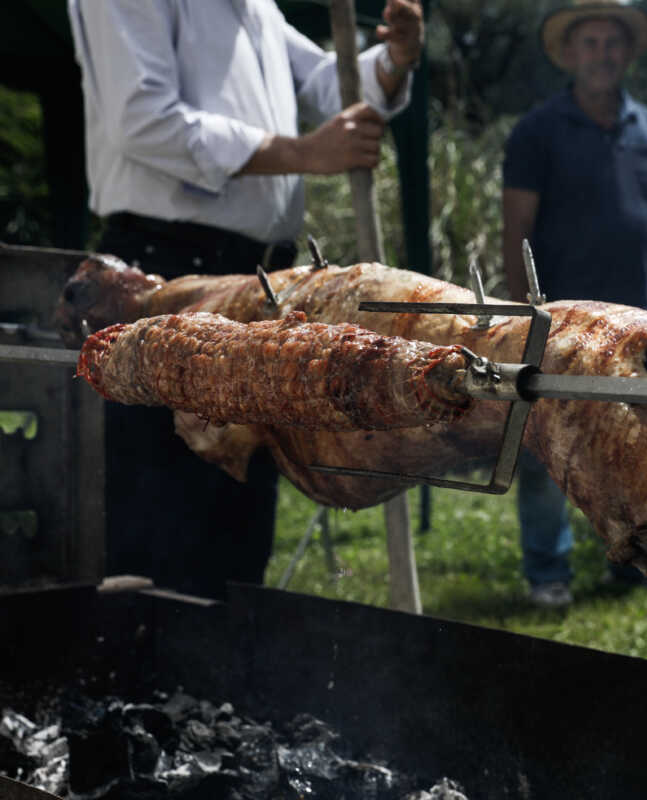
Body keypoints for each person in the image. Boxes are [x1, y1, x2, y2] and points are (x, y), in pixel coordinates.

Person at [67, 0, 424, 599]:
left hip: (257, 276)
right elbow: (143, 119)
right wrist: (305, 154)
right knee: (163, 524)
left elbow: (326, 83)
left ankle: (226, 678)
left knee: (237, 508)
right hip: (167, 268)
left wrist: (392, 61)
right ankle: (143, 677)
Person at [502, 0, 647, 608]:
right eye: (588, 43)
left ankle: (638, 560)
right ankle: (549, 572)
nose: (601, 54)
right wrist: (523, 312)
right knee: (548, 447)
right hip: (561, 323)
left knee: (642, 447)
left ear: (627, 53)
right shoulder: (537, 131)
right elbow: (517, 227)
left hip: (640, 317)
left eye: (611, 43)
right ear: (569, 54)